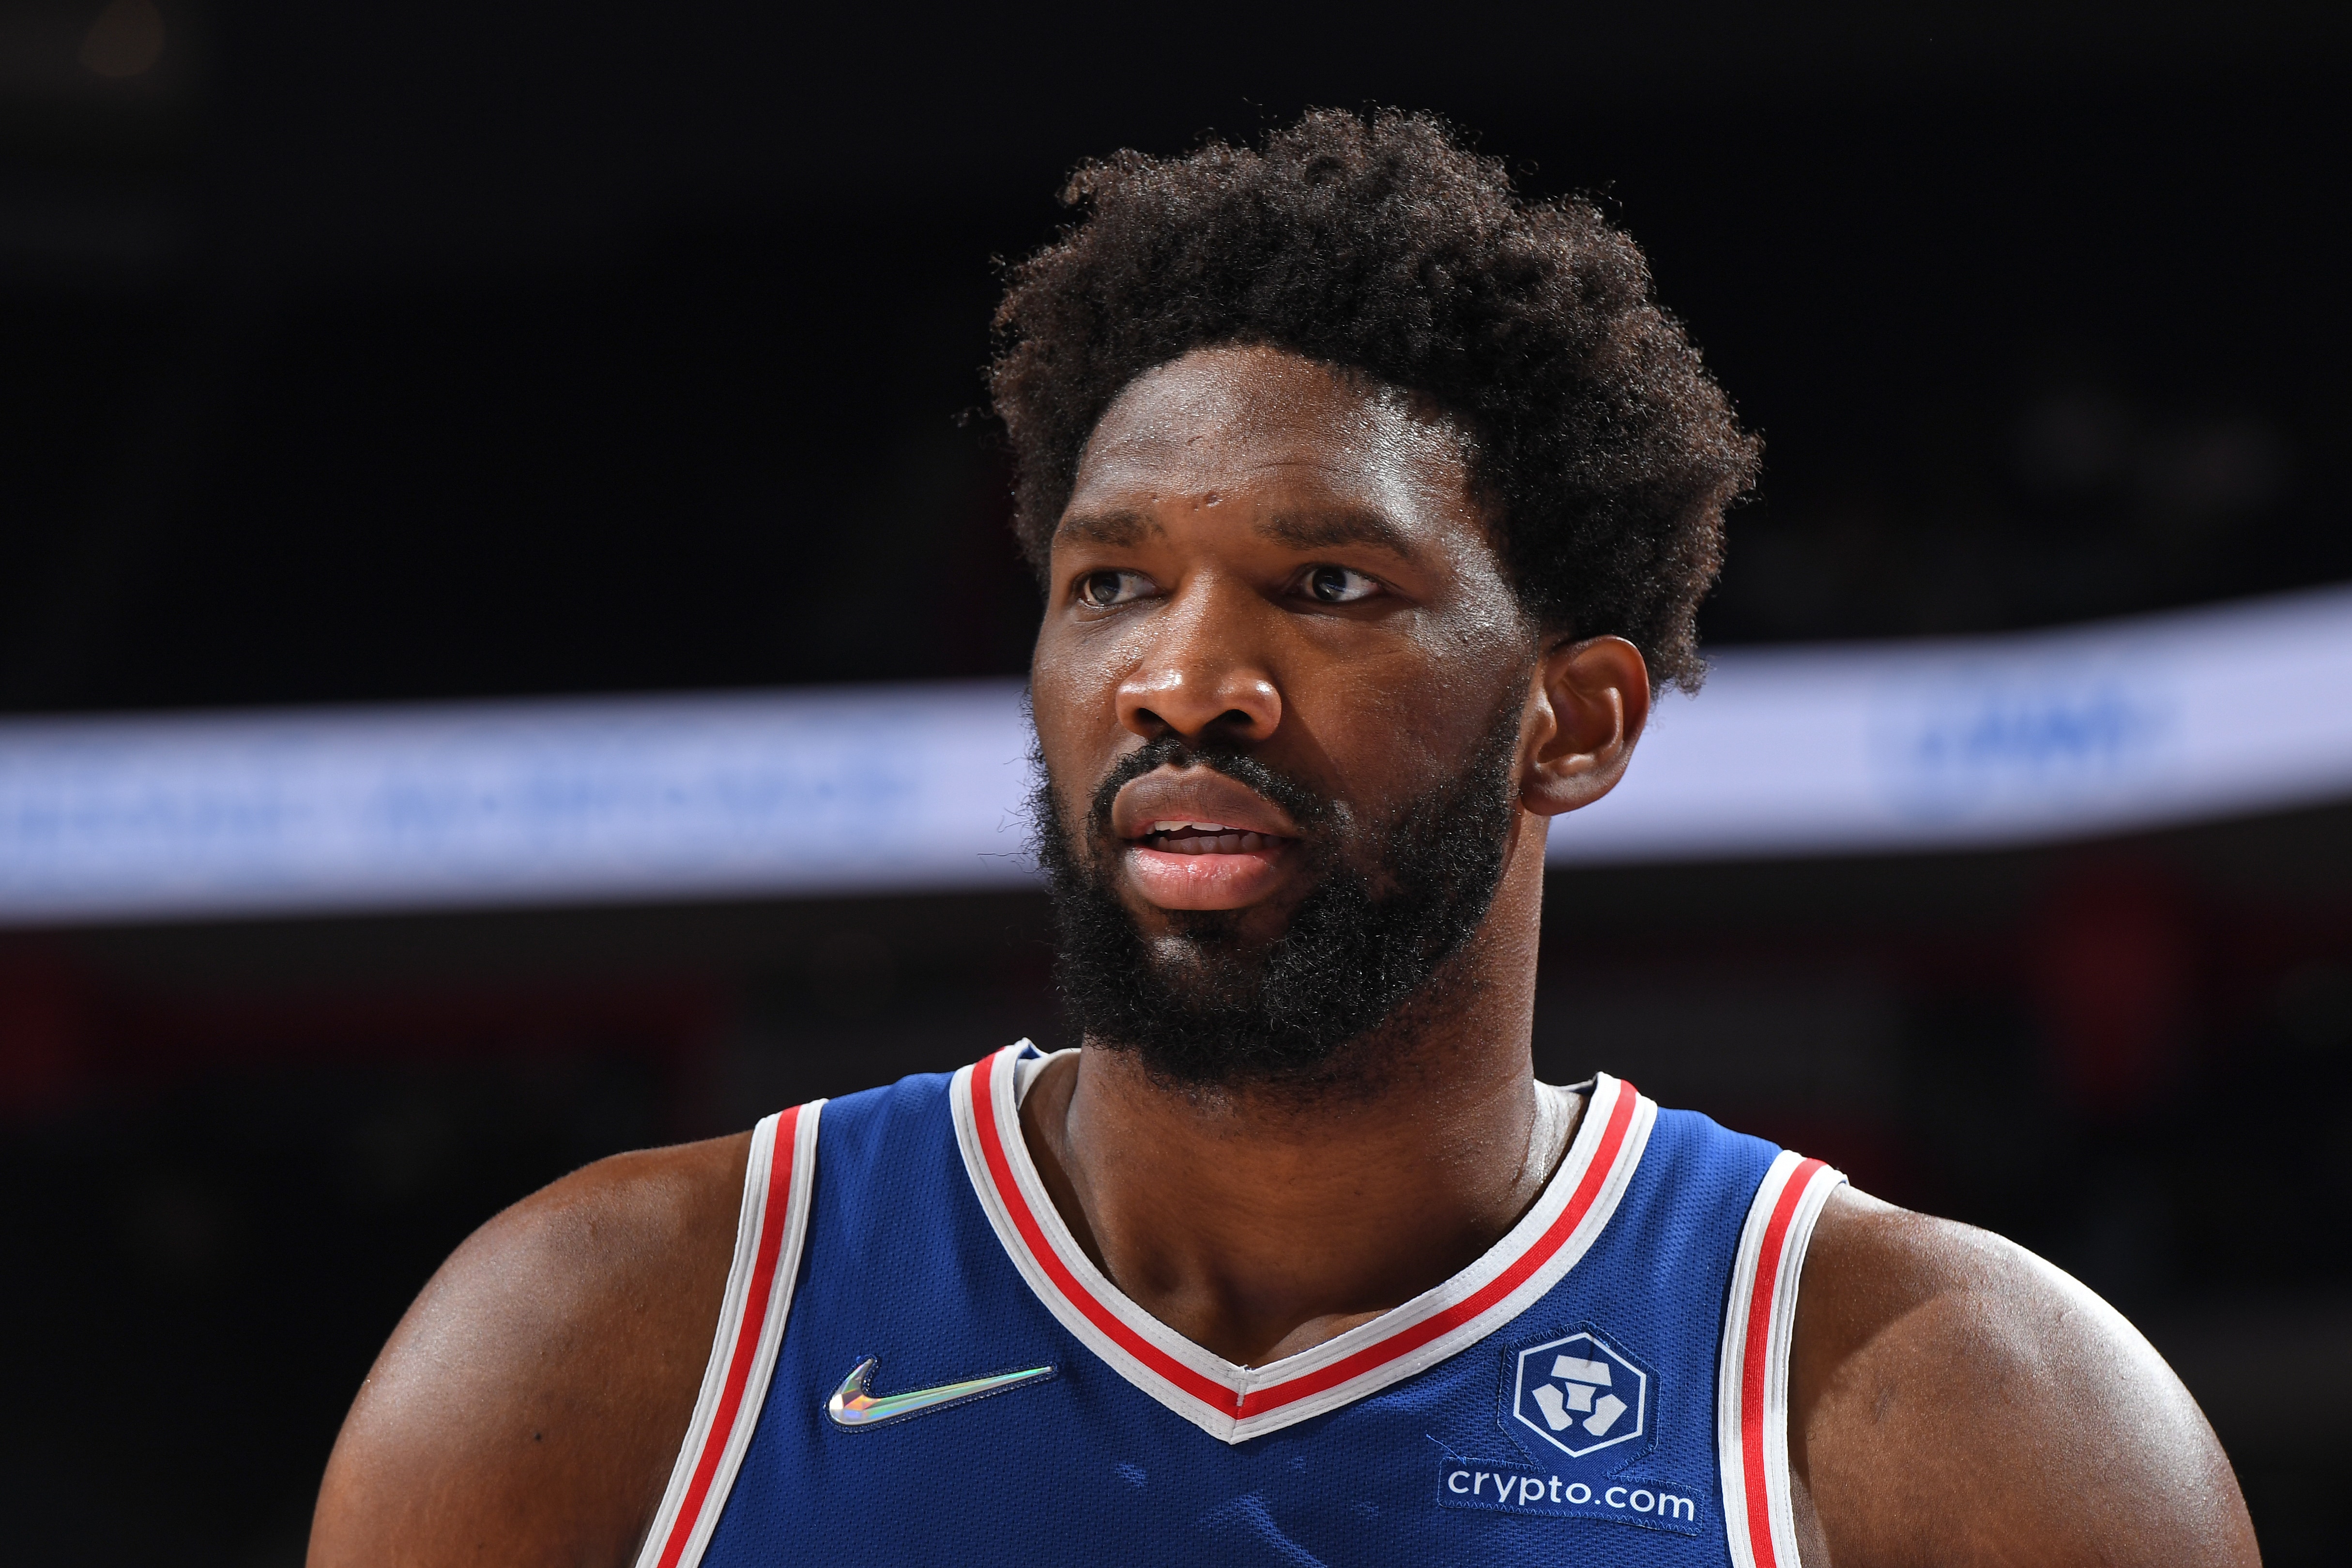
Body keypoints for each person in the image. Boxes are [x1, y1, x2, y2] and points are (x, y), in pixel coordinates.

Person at [307, 111, 2257, 1568]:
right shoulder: (608, 1344)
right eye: (1111, 585)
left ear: (1574, 723)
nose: (1187, 678)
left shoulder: (1958, 1416)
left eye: (1325, 584)